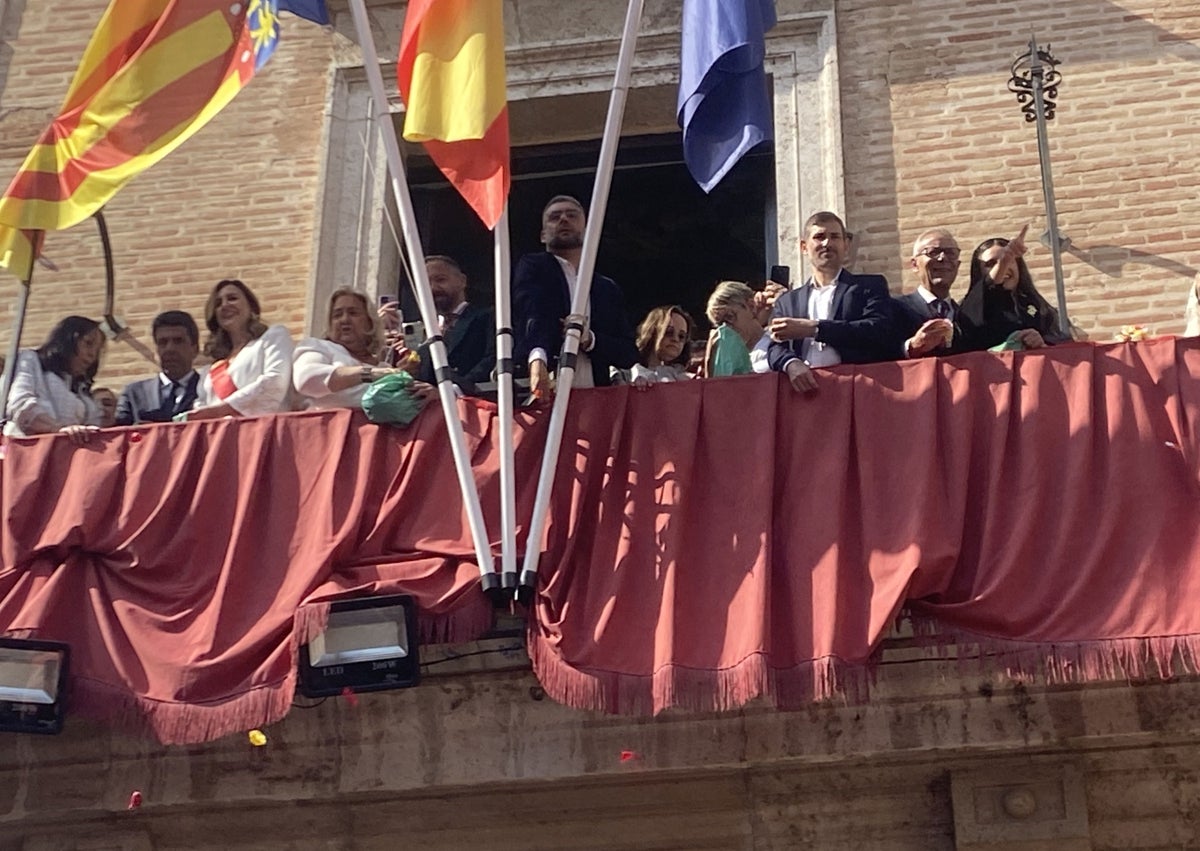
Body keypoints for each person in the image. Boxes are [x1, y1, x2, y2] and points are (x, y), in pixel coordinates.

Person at [512, 195, 638, 397]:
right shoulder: (534, 267)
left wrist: (591, 340)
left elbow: (627, 351)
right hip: (546, 393)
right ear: (543, 236)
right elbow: (532, 312)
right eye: (554, 217)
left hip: (597, 399)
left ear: (587, 231)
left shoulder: (606, 288)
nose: (563, 219)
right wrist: (537, 358)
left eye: (572, 215)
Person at [766, 212, 897, 393]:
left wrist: (815, 329)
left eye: (834, 237)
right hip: (805, 392)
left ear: (846, 244)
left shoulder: (869, 286)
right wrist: (791, 363)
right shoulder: (788, 301)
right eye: (819, 237)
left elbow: (878, 330)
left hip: (857, 389)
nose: (827, 243)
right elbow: (774, 346)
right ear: (804, 247)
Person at [294, 288, 435, 410]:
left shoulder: (383, 366)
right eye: (337, 315)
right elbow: (307, 379)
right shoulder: (317, 346)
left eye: (353, 313)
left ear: (370, 322)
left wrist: (425, 390)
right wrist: (375, 374)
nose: (344, 319)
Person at [380, 256, 496, 394]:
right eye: (426, 283)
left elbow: (492, 359)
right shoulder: (421, 331)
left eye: (441, 280)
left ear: (462, 281)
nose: (433, 288)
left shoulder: (488, 316)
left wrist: (450, 392)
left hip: (469, 406)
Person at [187, 279, 294, 419]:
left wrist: (221, 411)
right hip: (221, 437)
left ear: (251, 308)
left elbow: (274, 383)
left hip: (263, 432)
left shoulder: (272, 337)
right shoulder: (210, 370)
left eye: (232, 299)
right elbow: (201, 408)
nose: (225, 305)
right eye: (218, 304)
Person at [958, 229, 1070, 351]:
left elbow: (1064, 348)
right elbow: (990, 288)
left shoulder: (1039, 308)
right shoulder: (972, 306)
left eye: (1011, 261)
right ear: (979, 272)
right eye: (991, 263)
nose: (1004, 267)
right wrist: (1004, 261)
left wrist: (1042, 344)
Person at [4, 315, 104, 441]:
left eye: (97, 349)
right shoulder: (30, 360)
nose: (92, 354)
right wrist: (57, 429)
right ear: (68, 340)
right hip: (28, 450)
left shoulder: (81, 388)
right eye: (88, 343)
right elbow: (19, 404)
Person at [114, 311, 202, 425]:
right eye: (163, 342)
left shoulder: (208, 388)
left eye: (178, 341)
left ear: (195, 349)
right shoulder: (134, 393)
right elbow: (120, 434)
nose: (170, 348)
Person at [894, 228, 970, 358]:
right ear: (915, 265)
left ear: (957, 265)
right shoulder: (895, 308)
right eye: (933, 252)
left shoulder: (966, 316)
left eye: (950, 253)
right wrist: (912, 347)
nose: (943, 258)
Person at [614, 305, 694, 385]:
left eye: (681, 336)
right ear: (653, 332)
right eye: (668, 332)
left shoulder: (686, 378)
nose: (675, 339)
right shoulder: (627, 374)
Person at [704, 282, 762, 377]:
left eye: (730, 317)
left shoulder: (776, 342)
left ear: (751, 306)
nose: (728, 329)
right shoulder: (728, 362)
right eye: (720, 325)